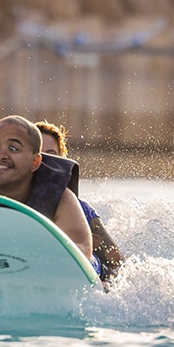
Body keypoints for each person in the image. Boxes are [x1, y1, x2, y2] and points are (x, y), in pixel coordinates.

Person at [0, 115, 94, 265]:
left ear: (35, 162)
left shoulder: (59, 197)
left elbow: (82, 249)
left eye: (13, 148)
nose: (1, 155)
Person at [35, 119, 125, 283]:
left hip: (86, 271)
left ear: (62, 161)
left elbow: (116, 263)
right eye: (38, 153)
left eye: (51, 155)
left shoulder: (80, 207)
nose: (45, 162)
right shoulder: (8, 198)